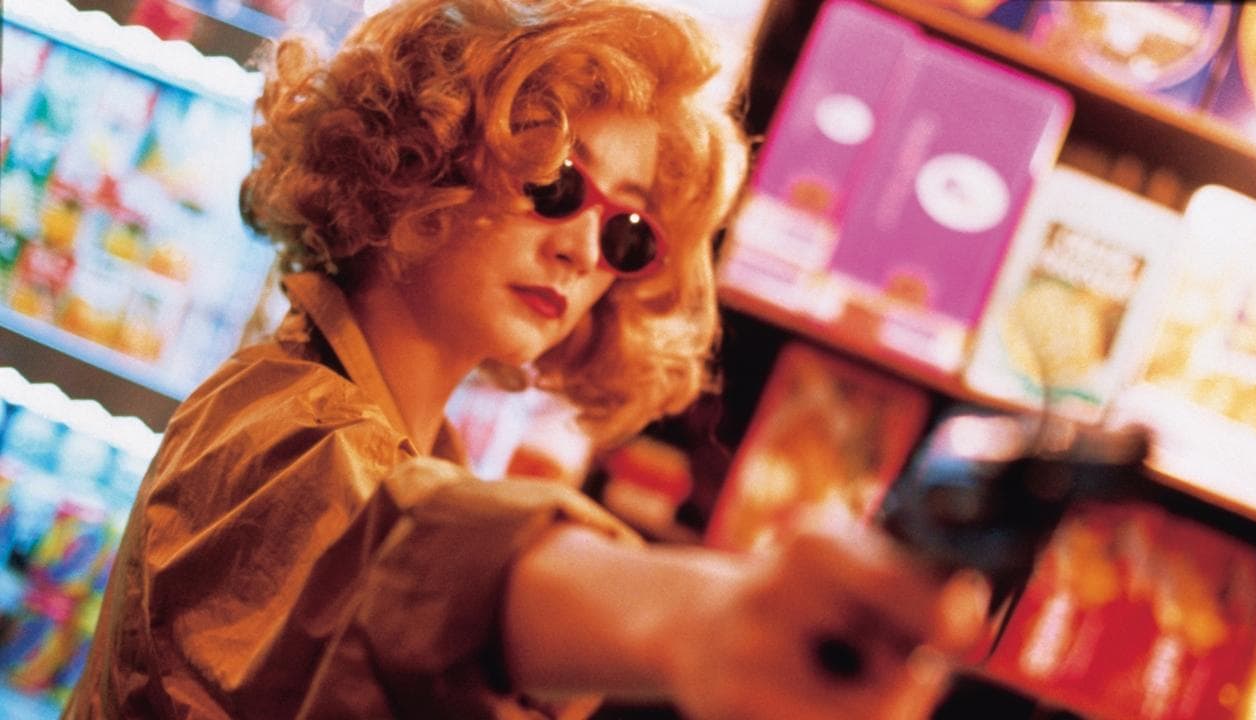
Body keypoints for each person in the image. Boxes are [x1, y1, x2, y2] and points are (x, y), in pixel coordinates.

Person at [64, 1, 991, 717]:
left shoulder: (409, 440)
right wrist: (701, 617)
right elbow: (405, 560)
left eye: (629, 231)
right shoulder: (278, 423)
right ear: (419, 153)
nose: (587, 250)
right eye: (557, 183)